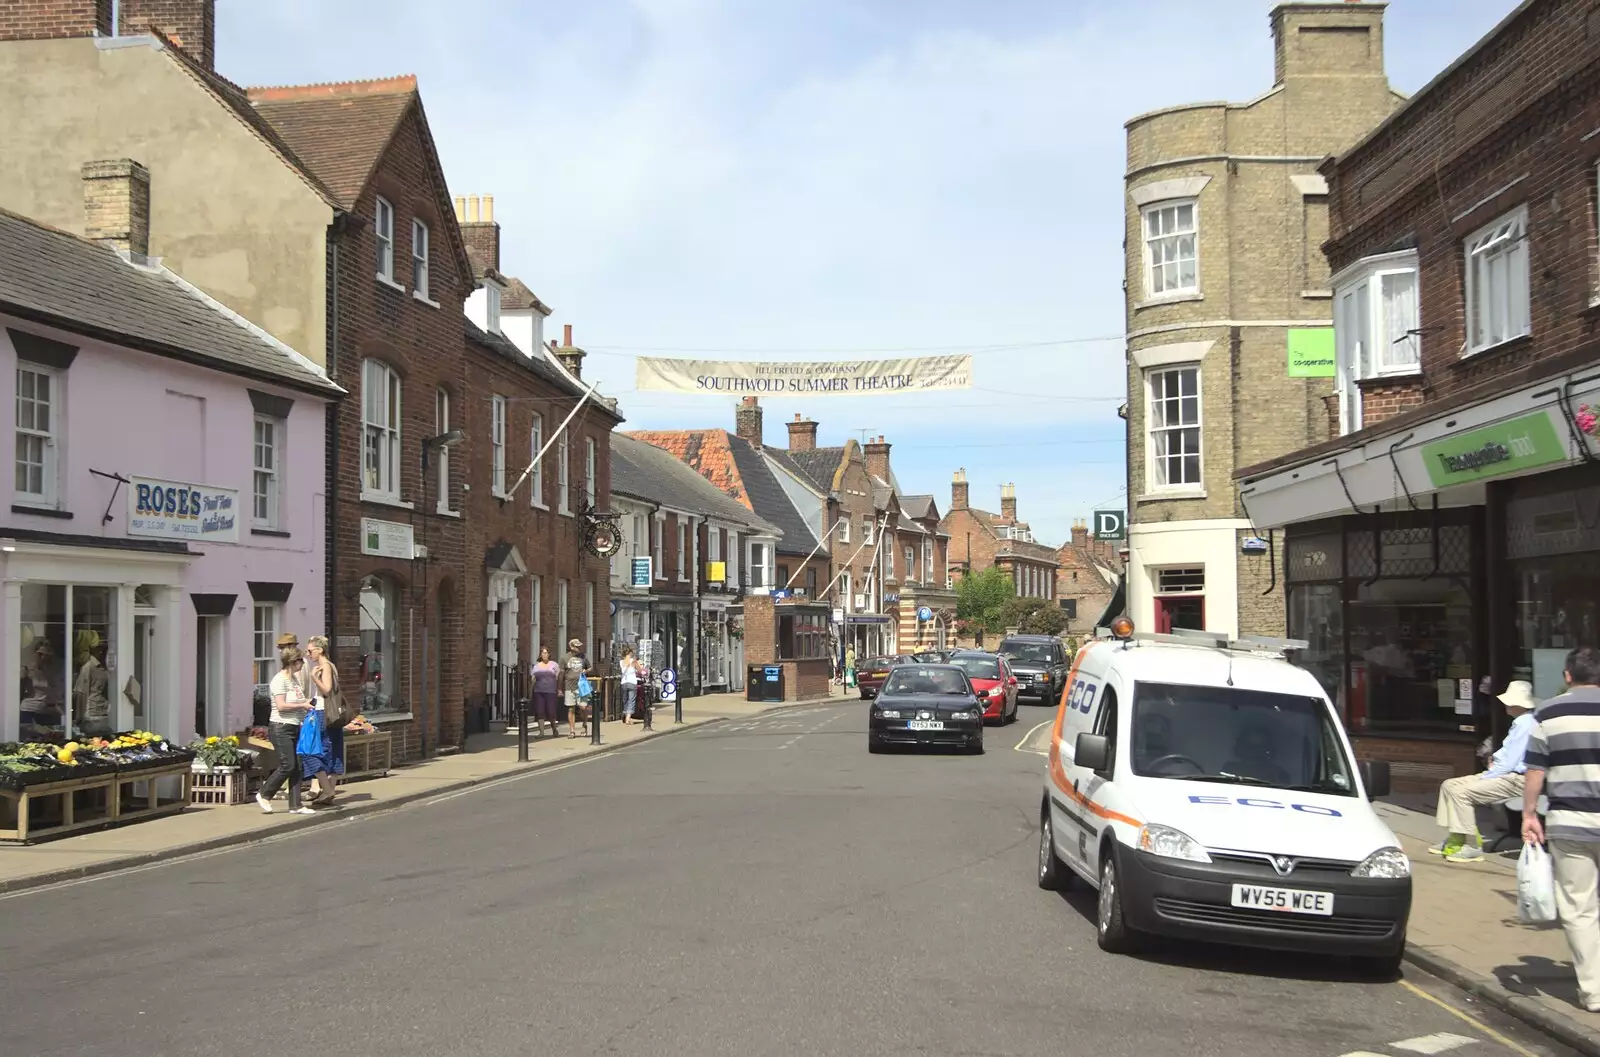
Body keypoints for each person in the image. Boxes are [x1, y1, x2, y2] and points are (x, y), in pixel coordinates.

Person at [1523, 647, 1600, 1012]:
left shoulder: (1548, 712)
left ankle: (1594, 991)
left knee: (1580, 907)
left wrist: (1528, 815)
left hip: (1569, 823)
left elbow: (1535, 771)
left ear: (1568, 676)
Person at [1430, 680, 1536, 862]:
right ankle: (1457, 838)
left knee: (1459, 792)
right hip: (1506, 775)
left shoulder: (1525, 725)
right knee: (1448, 785)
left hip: (1516, 779)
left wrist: (1487, 776)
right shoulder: (1521, 723)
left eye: (1509, 701)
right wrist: (1493, 763)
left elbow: (1510, 763)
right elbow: (1506, 755)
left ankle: (1471, 845)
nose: (1505, 704)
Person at [258, 646, 315, 815]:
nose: (303, 665)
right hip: (281, 727)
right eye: (300, 661)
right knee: (287, 764)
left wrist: (309, 703)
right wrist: (302, 705)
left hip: (295, 725)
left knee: (297, 766)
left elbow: (299, 700)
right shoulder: (279, 680)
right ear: (292, 662)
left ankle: (296, 805)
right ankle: (264, 794)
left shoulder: (294, 680)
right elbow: (281, 706)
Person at [301, 635, 345, 806]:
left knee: (311, 751)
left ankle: (327, 791)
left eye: (310, 650)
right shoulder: (331, 666)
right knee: (333, 750)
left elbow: (326, 690)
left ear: (319, 650)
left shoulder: (324, 666)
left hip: (323, 714)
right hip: (333, 715)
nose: (308, 654)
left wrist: (314, 677)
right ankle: (329, 793)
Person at [74, 639, 111, 737]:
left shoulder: (106, 667)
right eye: (102, 649)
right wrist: (79, 717)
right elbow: (80, 692)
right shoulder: (88, 668)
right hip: (92, 713)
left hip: (105, 711)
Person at [560, 638, 590, 739]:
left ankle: (584, 725)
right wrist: (560, 688)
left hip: (581, 686)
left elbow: (590, 667)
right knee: (571, 708)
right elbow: (561, 673)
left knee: (583, 707)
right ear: (571, 647)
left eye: (579, 646)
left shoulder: (583, 657)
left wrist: (585, 671)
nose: (578, 648)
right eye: (576, 646)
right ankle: (572, 731)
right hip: (569, 686)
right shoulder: (564, 658)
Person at [530, 646, 561, 738]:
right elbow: (533, 679)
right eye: (543, 653)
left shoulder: (554, 665)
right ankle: (541, 732)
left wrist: (559, 689)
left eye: (546, 653)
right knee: (540, 712)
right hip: (538, 692)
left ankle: (554, 729)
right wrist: (530, 692)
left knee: (551, 712)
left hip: (551, 692)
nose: (544, 655)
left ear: (549, 654)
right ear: (540, 655)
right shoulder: (536, 666)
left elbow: (559, 677)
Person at [619, 646, 640, 724]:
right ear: (630, 653)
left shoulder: (621, 662)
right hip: (632, 682)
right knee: (631, 700)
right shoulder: (633, 661)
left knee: (625, 699)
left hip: (624, 682)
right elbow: (640, 670)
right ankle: (628, 718)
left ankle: (625, 713)